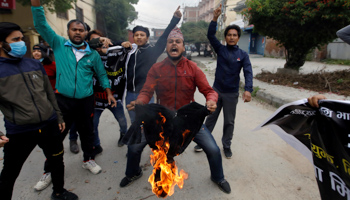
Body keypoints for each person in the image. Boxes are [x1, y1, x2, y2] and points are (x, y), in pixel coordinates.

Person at [120, 27, 231, 194]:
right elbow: (146, 91)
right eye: (170, 42)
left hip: (188, 119)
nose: (174, 44)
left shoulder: (193, 68)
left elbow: (209, 90)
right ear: (166, 47)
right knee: (134, 147)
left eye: (177, 42)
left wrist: (211, 100)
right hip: (161, 118)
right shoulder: (156, 69)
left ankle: (218, 177)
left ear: (183, 47)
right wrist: (139, 102)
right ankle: (133, 173)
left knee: (213, 149)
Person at [31, 0, 116, 181]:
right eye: (74, 29)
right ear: (68, 32)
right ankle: (49, 171)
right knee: (57, 135)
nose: (78, 32)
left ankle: (88, 159)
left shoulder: (92, 54)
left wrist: (108, 92)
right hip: (63, 100)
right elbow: (40, 24)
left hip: (85, 101)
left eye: (81, 30)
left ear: (86, 33)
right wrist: (36, 5)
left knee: (87, 132)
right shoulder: (59, 44)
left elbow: (101, 74)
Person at [0, 22, 78, 200]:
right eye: (15, 40)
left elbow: (49, 93)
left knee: (57, 161)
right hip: (20, 131)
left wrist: (58, 116)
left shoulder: (33, 64)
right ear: (1, 43)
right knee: (10, 173)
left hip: (49, 125)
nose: (21, 43)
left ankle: (59, 192)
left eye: (21, 39)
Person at [196, 4, 253, 159]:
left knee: (229, 122)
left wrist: (248, 89)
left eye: (235, 35)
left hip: (231, 93)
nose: (232, 37)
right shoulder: (220, 49)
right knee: (210, 117)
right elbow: (210, 35)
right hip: (216, 91)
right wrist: (214, 18)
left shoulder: (243, 55)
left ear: (238, 37)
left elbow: (248, 72)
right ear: (226, 37)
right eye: (229, 35)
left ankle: (226, 146)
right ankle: (203, 142)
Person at [121, 6, 182, 123]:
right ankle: (136, 140)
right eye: (136, 35)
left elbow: (164, 37)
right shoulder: (129, 51)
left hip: (145, 94)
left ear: (147, 38)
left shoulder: (153, 51)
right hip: (129, 94)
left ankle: (147, 140)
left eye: (142, 35)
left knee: (148, 122)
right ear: (133, 37)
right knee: (134, 122)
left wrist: (175, 19)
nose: (139, 37)